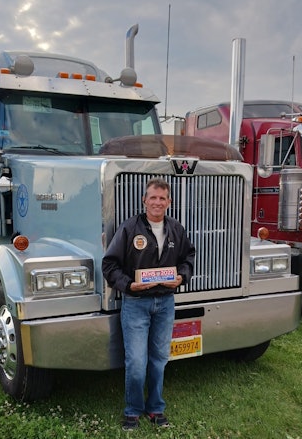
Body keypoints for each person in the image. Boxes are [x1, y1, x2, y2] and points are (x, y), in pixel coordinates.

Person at [102, 177, 195, 431]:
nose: (157, 202)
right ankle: (132, 410)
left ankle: (155, 408)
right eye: (152, 197)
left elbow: (188, 257)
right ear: (144, 200)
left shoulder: (176, 229)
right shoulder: (129, 228)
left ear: (169, 202)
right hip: (136, 304)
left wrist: (182, 277)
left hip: (165, 303)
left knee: (159, 359)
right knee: (135, 362)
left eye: (162, 198)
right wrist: (128, 285)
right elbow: (109, 264)